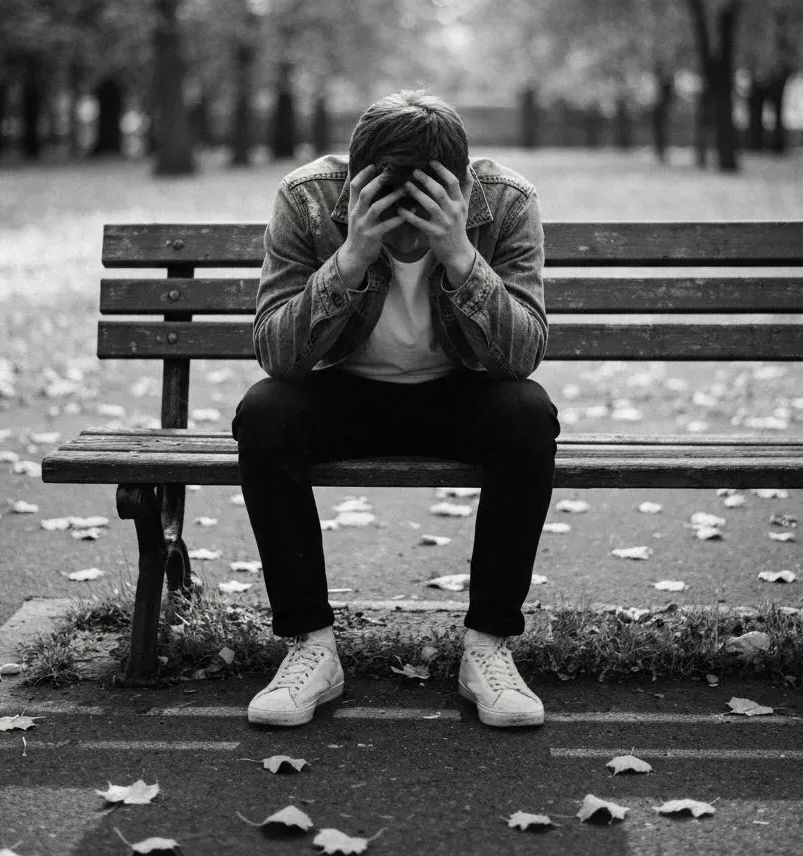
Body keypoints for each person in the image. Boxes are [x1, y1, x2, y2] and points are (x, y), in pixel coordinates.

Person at [231, 89, 560, 729]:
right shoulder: (307, 198)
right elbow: (277, 352)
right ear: (357, 186)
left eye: (423, 210)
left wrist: (460, 253)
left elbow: (522, 355)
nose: (407, 236)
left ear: (461, 187)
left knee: (527, 412)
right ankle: (311, 649)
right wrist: (350, 257)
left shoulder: (508, 202)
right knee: (265, 412)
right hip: (346, 390)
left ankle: (487, 648)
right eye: (391, 208)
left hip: (459, 392)